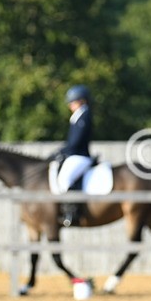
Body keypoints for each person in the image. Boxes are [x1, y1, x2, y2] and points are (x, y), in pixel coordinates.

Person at [51, 84, 95, 227]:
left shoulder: (84, 115)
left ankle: (72, 213)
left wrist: (63, 151)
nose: (70, 105)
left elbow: (76, 142)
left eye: (73, 102)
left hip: (79, 156)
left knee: (64, 179)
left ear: (82, 101)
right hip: (74, 154)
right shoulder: (78, 116)